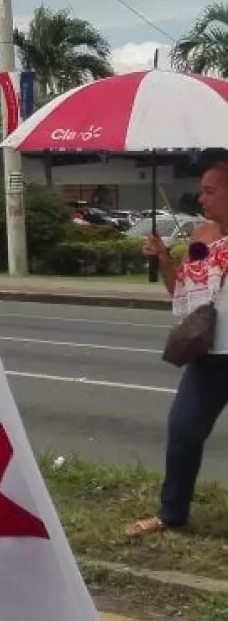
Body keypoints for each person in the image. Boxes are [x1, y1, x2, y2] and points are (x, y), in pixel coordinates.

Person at [127, 154, 228, 540]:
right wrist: (165, 260)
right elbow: (184, 291)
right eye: (202, 190)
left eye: (211, 191)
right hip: (209, 354)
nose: (202, 199)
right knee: (184, 430)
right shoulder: (203, 237)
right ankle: (172, 515)